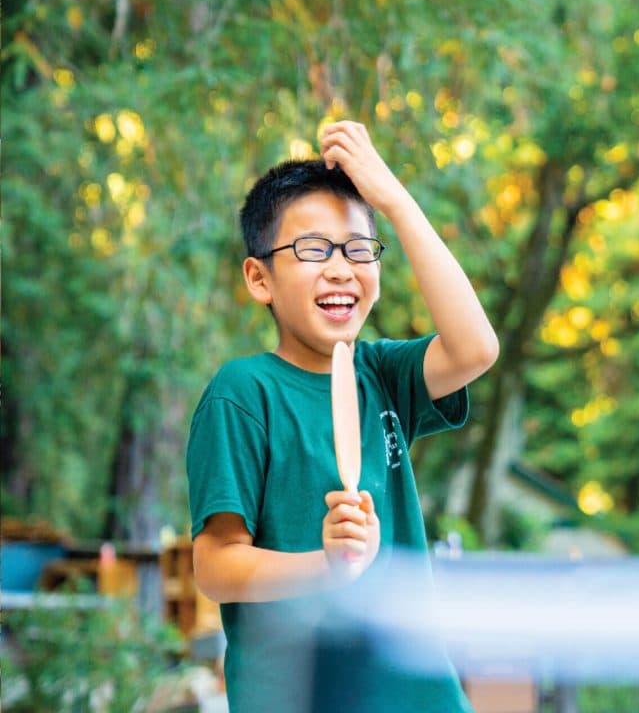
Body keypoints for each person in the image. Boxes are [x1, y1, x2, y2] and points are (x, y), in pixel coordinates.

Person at [187, 120, 498, 712]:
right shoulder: (243, 392)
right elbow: (215, 565)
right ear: (260, 278)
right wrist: (325, 567)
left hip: (419, 696)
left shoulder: (382, 375)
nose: (340, 268)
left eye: (359, 249)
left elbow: (476, 348)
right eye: (312, 249)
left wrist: (394, 201)